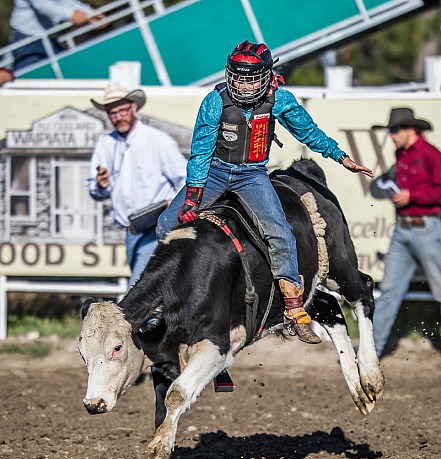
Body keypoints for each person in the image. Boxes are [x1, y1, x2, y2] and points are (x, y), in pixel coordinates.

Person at [157, 41, 373, 344]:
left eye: (251, 78)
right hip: (216, 171)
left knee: (280, 232)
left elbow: (307, 131)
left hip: (252, 175)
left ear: (267, 76)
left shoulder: (279, 99)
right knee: (167, 223)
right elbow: (201, 150)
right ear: (229, 74)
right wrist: (193, 194)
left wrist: (339, 156)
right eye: (239, 77)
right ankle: (170, 294)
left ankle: (293, 307)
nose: (244, 85)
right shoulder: (215, 101)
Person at [87, 82, 187, 289]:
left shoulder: (157, 141)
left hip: (156, 227)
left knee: (137, 289)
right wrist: (101, 185)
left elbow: (185, 178)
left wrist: (173, 203)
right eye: (113, 113)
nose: (118, 117)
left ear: (133, 107)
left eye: (122, 110)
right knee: (150, 290)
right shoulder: (106, 144)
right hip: (131, 230)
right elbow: (95, 189)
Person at [371, 107, 441, 358]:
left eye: (396, 129)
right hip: (403, 230)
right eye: (391, 130)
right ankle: (372, 350)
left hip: (427, 229)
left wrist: (412, 196)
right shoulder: (401, 154)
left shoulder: (432, 155)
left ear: (412, 130)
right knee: (388, 291)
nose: (392, 135)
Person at [9, 0, 104, 71]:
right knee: (32, 80)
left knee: (68, 70)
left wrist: (90, 13)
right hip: (27, 40)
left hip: (48, 39)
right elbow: (42, 5)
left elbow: (65, 1)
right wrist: (71, 14)